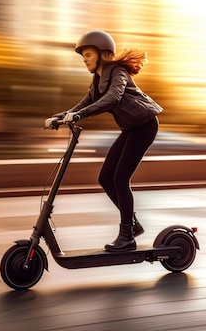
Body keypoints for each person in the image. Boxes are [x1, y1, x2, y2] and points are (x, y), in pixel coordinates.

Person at [44, 30, 163, 252]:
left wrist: (80, 116)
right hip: (131, 129)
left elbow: (113, 98)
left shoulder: (118, 72)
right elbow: (81, 104)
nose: (85, 60)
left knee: (119, 179)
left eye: (88, 54)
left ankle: (127, 235)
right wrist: (58, 118)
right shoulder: (97, 80)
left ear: (102, 53)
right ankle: (132, 223)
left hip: (145, 126)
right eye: (83, 56)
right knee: (105, 178)